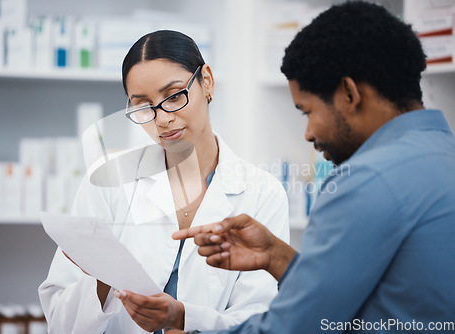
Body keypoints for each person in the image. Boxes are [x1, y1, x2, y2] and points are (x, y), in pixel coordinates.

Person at [172, 2, 455, 333]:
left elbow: (296, 327)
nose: (309, 133)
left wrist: (187, 327)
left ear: (349, 94)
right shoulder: (441, 155)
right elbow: (378, 299)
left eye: (307, 111)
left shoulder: (366, 181)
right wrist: (278, 256)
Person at [38, 30, 290, 334]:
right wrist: (102, 279)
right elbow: (59, 323)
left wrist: (184, 318)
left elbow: (259, 319)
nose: (161, 119)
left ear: (206, 81)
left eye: (173, 96)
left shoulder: (261, 192)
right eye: (144, 106)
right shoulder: (107, 183)